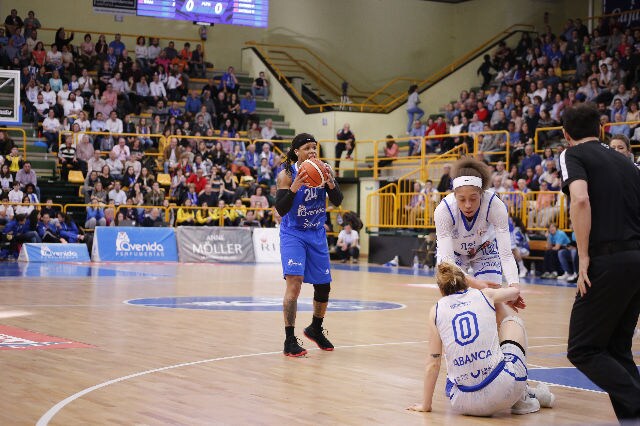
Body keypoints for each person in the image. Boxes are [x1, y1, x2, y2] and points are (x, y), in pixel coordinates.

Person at [559, 104, 640, 422]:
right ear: (602, 130)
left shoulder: (572, 155)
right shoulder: (626, 162)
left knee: (583, 348)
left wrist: (584, 258)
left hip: (608, 260)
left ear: (566, 135)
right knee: (617, 349)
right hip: (636, 260)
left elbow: (579, 198)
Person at [407, 262, 554, 416]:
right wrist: (503, 293)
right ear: (465, 281)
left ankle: (524, 393)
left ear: (441, 289)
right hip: (502, 390)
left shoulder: (435, 311)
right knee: (513, 322)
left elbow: (433, 363)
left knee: (453, 364)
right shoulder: (485, 294)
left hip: (462, 403)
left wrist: (426, 404)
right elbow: (515, 292)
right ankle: (522, 399)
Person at [275, 133, 343, 357]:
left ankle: (315, 328)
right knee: (294, 283)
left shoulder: (323, 170)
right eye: (307, 148)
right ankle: (289, 339)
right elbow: (281, 209)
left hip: (316, 233)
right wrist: (295, 186)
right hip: (293, 234)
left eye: (314, 147)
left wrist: (330, 181)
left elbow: (338, 200)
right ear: (296, 151)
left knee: (324, 285)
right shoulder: (286, 174)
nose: (312, 151)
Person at [433, 158, 529, 301]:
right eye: (461, 199)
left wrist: (514, 288)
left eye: (473, 198)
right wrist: (476, 284)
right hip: (453, 254)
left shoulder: (495, 205)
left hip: (484, 249)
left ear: (482, 194)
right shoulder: (444, 210)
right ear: (454, 195)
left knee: (492, 300)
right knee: (452, 298)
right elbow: (448, 262)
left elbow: (506, 254)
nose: (467, 205)